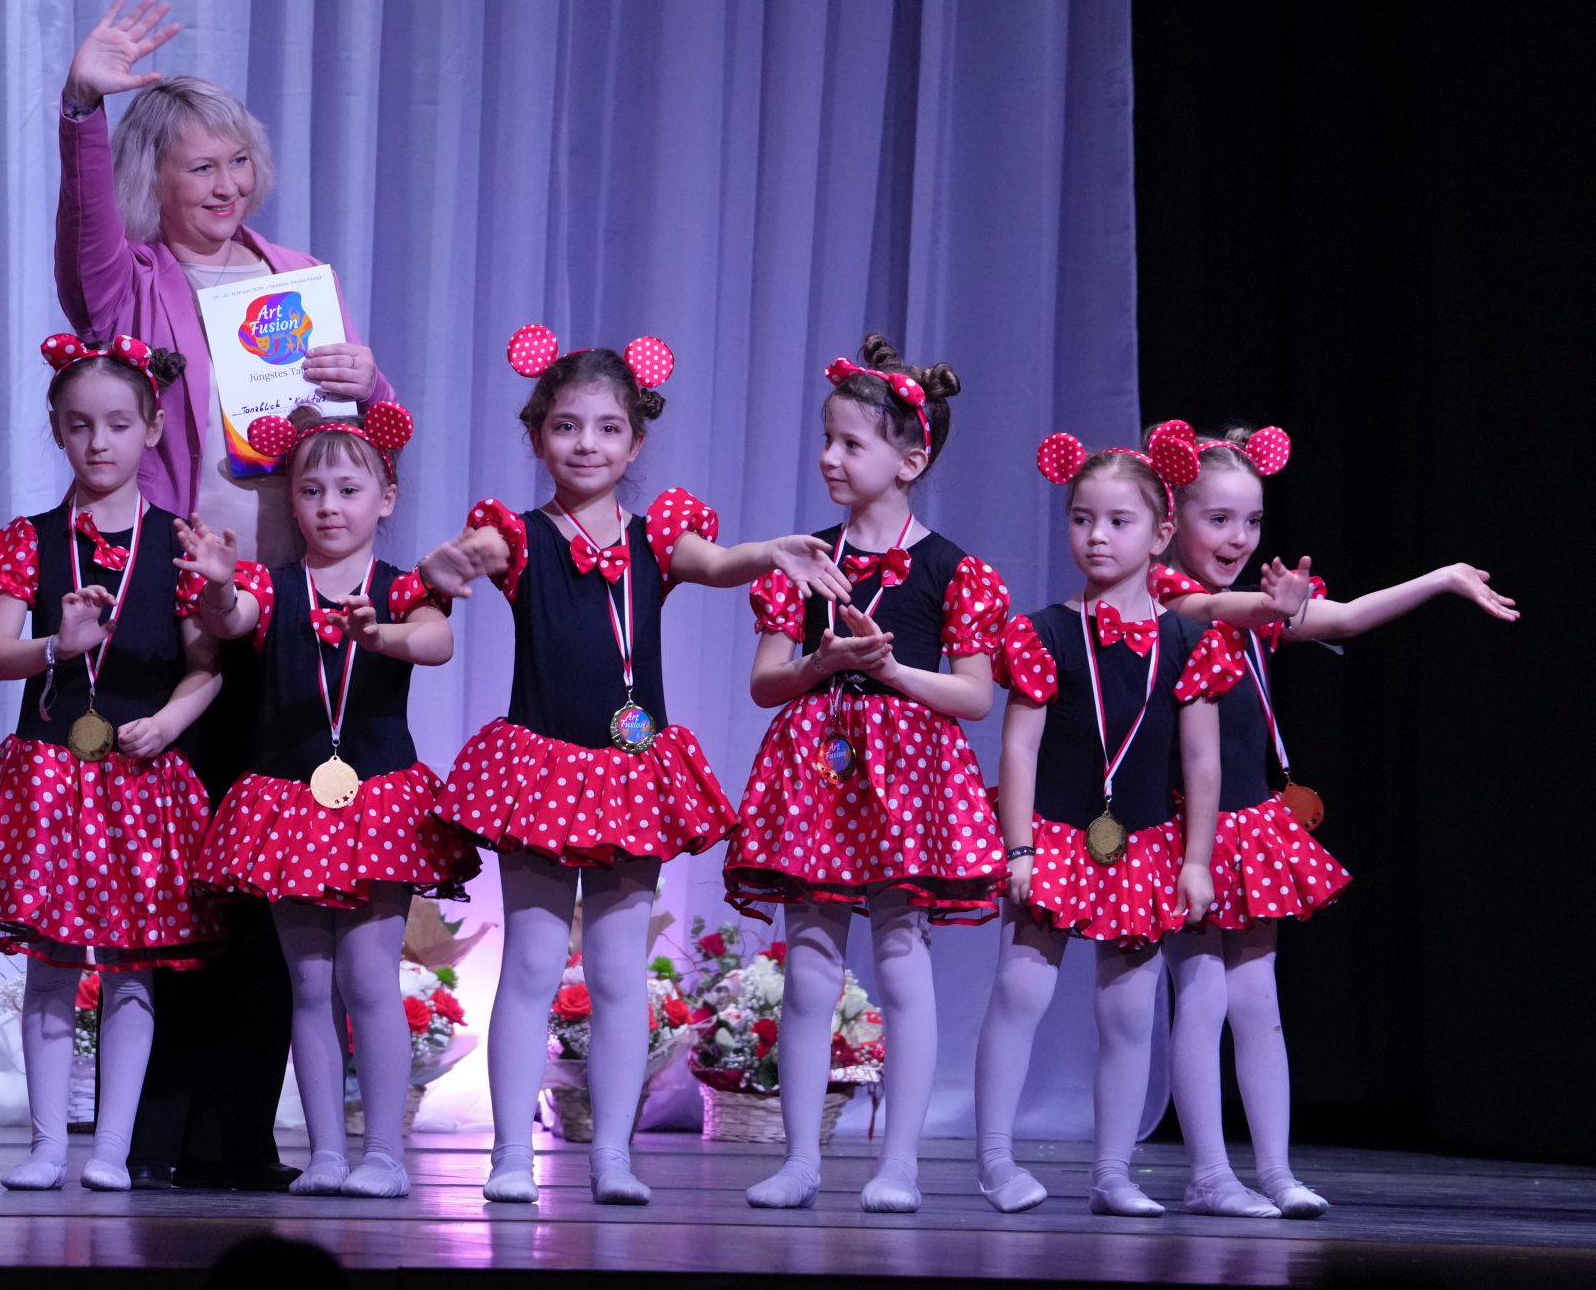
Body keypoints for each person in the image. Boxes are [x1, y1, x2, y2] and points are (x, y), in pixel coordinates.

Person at [54, 0, 390, 1187]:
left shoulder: (294, 279)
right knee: (175, 871)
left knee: (271, 879)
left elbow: (366, 449)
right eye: (201, 165)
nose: (227, 183)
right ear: (155, 176)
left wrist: (369, 382)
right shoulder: (131, 283)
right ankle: (156, 1133)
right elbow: (84, 243)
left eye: (238, 160)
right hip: (175, 606)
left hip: (289, 606)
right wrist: (82, 106)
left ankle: (240, 1138)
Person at [419, 326, 852, 1206]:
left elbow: (720, 563)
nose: (588, 444)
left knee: (619, 975)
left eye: (608, 428)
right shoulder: (520, 538)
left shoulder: (658, 540)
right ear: (537, 436)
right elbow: (458, 561)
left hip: (630, 777)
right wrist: (443, 565)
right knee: (531, 968)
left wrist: (772, 551)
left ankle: (612, 1154)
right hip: (543, 773)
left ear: (637, 442)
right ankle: (511, 1155)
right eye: (567, 426)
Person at [1145, 419, 1516, 1218]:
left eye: (1252, 520)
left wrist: (1442, 577)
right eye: (1219, 519)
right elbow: (1214, 606)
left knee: (1258, 1000)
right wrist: (1271, 605)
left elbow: (1342, 618)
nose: (1239, 537)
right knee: (1200, 997)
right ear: (1171, 520)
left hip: (1247, 821)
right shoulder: (1167, 595)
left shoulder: (1251, 610)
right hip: (1182, 828)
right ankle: (1209, 1174)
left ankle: (1276, 1172)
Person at [724, 337, 1011, 1214]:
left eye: (851, 443)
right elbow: (766, 683)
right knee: (811, 965)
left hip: (908, 779)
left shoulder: (953, 570)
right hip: (820, 768)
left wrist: (889, 671)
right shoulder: (804, 559)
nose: (830, 457)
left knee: (901, 959)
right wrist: (821, 664)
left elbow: (974, 697)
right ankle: (801, 1159)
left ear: (909, 460)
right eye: (828, 439)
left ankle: (899, 1164)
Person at [176, 403, 483, 1198]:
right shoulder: (271, 586)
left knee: (369, 978)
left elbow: (436, 640)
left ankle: (384, 1153)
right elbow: (230, 618)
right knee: (309, 983)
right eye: (311, 491)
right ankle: (326, 1154)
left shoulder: (404, 587)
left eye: (349, 490)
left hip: (376, 803)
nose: (329, 507)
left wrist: (381, 635)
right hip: (288, 805)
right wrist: (217, 586)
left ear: (386, 498)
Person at [0, 335, 225, 1192]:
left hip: (139, 783)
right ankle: (46, 1146)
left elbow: (207, 666)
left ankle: (110, 1149)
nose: (99, 443)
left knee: (133, 972)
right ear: (57, 430)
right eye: (78, 426)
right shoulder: (28, 541)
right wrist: (55, 648)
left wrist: (168, 723)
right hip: (48, 779)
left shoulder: (179, 543)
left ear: (153, 428)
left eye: (117, 424)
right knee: (52, 970)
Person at [971, 432, 1239, 1217]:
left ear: (1160, 534)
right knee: (1021, 989)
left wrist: (1195, 860)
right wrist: (1019, 847)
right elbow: (1018, 749)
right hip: (1055, 835)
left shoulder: (1189, 640)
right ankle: (995, 1161)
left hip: (1146, 844)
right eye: (1082, 518)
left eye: (1119, 521)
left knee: (1128, 1010)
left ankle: (1113, 1173)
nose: (1096, 536)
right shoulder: (1045, 632)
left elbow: (1202, 763)